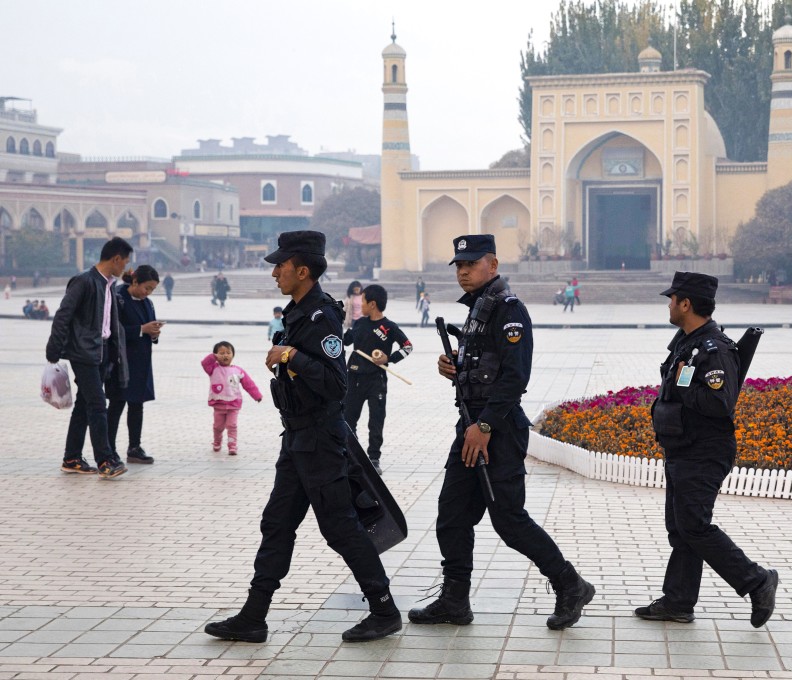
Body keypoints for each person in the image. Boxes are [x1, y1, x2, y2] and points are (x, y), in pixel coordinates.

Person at [204, 230, 401, 644]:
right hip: (296, 438)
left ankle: (384, 610)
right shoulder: (295, 312)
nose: (275, 272)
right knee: (276, 524)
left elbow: (336, 383)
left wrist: (292, 355)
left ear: (303, 270)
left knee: (341, 528)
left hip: (321, 440)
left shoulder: (321, 316)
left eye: (280, 265)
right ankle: (253, 616)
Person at [410, 234, 595, 631]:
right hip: (472, 426)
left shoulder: (510, 311)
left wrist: (486, 425)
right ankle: (455, 601)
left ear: (492, 265)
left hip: (498, 429)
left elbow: (514, 377)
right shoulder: (481, 308)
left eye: (471, 264)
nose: (462, 271)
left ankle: (570, 584)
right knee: (452, 514)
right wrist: (456, 367)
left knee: (509, 519)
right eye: (458, 265)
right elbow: (485, 369)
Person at [636, 271, 778, 628]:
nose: (668, 304)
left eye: (672, 299)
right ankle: (678, 601)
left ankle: (756, 581)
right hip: (683, 449)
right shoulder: (687, 343)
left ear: (686, 304)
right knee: (681, 528)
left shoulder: (714, 349)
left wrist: (685, 388)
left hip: (704, 451)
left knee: (695, 527)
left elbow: (720, 403)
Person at [45, 236, 133, 479]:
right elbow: (63, 315)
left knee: (84, 405)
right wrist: (53, 349)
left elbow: (109, 323)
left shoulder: (109, 285)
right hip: (84, 353)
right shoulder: (84, 281)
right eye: (124, 262)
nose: (125, 266)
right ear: (115, 259)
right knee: (97, 405)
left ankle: (72, 457)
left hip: (101, 352)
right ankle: (105, 460)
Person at [342, 284, 413, 474]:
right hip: (354, 378)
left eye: (363, 300)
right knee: (348, 418)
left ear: (372, 304)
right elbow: (344, 341)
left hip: (377, 380)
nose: (360, 303)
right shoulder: (359, 323)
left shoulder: (389, 328)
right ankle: (352, 455)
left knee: (376, 421)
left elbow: (407, 347)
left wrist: (388, 359)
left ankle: (374, 458)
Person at [106, 266, 163, 464]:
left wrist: (153, 333)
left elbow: (149, 329)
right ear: (135, 281)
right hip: (120, 362)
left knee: (137, 405)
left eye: (152, 290)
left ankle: (134, 447)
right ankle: (108, 449)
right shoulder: (117, 298)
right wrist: (141, 329)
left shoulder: (148, 303)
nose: (148, 293)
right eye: (147, 288)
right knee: (116, 404)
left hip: (141, 362)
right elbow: (112, 329)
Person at [201, 341, 262, 454]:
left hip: (234, 403)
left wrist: (256, 395)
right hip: (218, 403)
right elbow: (204, 363)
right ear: (216, 355)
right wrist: (213, 357)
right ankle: (217, 442)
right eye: (221, 353)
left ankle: (232, 445)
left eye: (228, 352)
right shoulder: (213, 369)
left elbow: (248, 384)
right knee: (218, 426)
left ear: (233, 355)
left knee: (232, 425)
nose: (225, 355)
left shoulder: (238, 371)